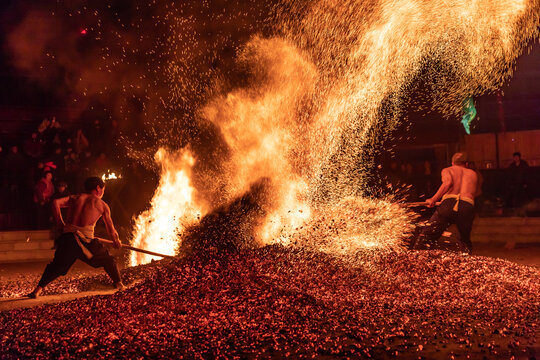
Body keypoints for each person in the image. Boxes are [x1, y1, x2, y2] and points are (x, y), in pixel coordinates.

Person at [27, 177, 124, 298]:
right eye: (103, 189)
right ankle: (119, 284)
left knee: (57, 266)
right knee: (109, 260)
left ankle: (37, 290)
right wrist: (116, 241)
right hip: (85, 242)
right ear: (98, 188)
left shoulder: (74, 198)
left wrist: (60, 224)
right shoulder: (102, 205)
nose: (103, 192)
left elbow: (55, 203)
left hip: (68, 238)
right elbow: (111, 230)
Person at [412, 152, 478, 254]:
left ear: (452, 163)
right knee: (464, 240)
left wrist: (433, 199)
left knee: (427, 236)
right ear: (467, 164)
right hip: (467, 205)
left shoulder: (448, 170)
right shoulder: (473, 174)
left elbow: (448, 183)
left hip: (449, 204)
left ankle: (417, 258)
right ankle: (466, 259)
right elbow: (471, 193)